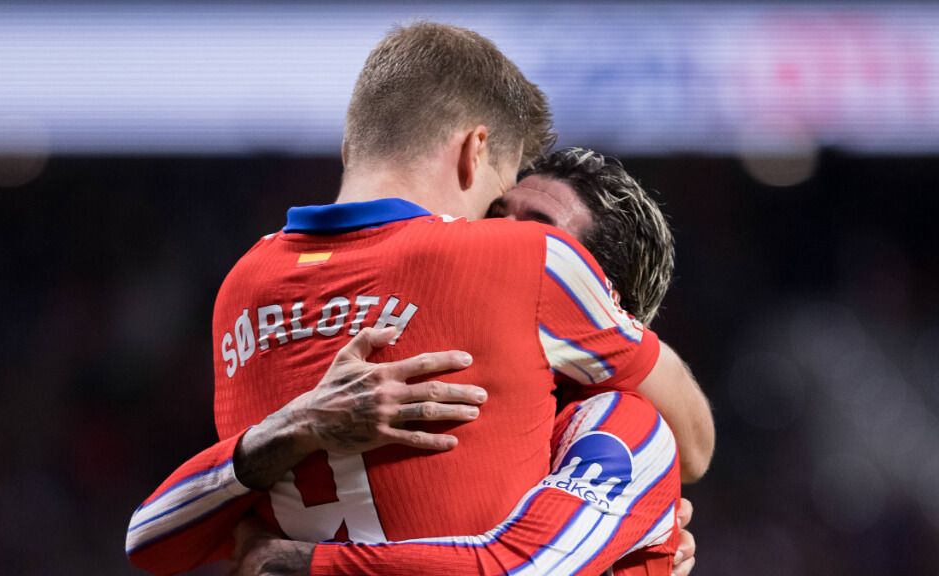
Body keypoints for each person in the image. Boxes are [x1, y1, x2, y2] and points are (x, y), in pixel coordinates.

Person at [126, 23, 712, 575]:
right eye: (499, 201)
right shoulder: (526, 263)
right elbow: (695, 443)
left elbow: (147, 544)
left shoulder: (243, 284)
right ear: (474, 150)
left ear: (349, 147)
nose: (493, 226)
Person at [229, 149, 701, 576]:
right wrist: (289, 434)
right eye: (495, 214)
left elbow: (520, 570)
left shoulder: (625, 428)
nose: (495, 234)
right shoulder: (414, 392)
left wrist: (298, 562)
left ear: (599, 295)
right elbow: (166, 529)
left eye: (538, 230)